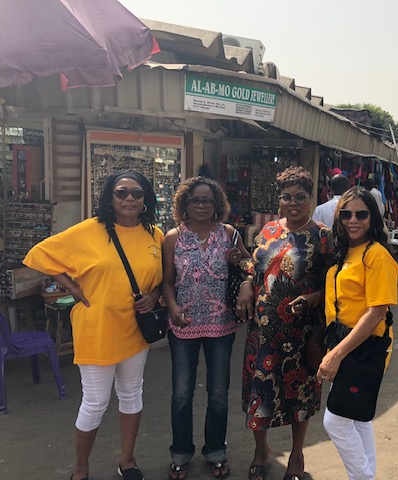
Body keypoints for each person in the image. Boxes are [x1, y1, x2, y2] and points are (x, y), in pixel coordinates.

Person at [23, 171, 163, 480]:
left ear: (146, 199)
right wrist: (72, 288)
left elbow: (162, 276)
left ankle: (127, 461)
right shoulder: (89, 230)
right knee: (96, 402)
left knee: (131, 394)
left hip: (136, 330)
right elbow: (39, 254)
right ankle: (81, 468)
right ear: (110, 198)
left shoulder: (155, 234)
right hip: (97, 328)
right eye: (121, 192)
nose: (129, 198)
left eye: (137, 193)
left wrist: (154, 296)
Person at [241, 166, 334, 480]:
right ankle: (261, 450)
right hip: (263, 330)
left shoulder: (323, 236)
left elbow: (334, 283)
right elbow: (254, 267)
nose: (292, 203)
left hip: (301, 331)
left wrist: (312, 299)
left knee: (300, 394)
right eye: (286, 197)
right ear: (279, 199)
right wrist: (246, 284)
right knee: (260, 393)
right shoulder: (268, 230)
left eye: (300, 197)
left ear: (311, 198)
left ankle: (297, 455)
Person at [162, 177, 252, 480]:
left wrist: (243, 272)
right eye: (194, 200)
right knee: (181, 394)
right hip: (183, 325)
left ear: (217, 204)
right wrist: (172, 307)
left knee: (218, 394)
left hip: (220, 325)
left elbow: (249, 266)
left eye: (207, 200)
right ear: (185, 204)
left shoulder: (229, 234)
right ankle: (180, 453)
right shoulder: (173, 237)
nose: (200, 205)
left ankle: (215, 452)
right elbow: (167, 281)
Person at [317, 187, 398, 480]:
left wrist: (336, 356)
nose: (353, 221)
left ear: (372, 217)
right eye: (346, 214)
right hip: (343, 340)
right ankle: (366, 476)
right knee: (357, 418)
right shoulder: (346, 252)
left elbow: (376, 312)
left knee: (336, 421)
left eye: (361, 214)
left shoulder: (376, 256)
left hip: (363, 346)